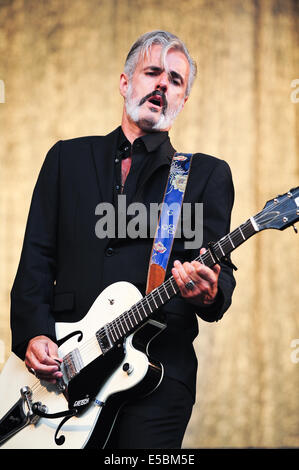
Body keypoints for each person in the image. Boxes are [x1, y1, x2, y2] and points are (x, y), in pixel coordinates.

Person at [10, 30, 236, 449]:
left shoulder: (204, 175)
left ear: (183, 100)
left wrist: (208, 292)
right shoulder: (66, 159)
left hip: (155, 376)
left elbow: (217, 272)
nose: (162, 84)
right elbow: (37, 259)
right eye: (152, 72)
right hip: (62, 371)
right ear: (125, 83)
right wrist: (34, 335)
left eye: (175, 80)